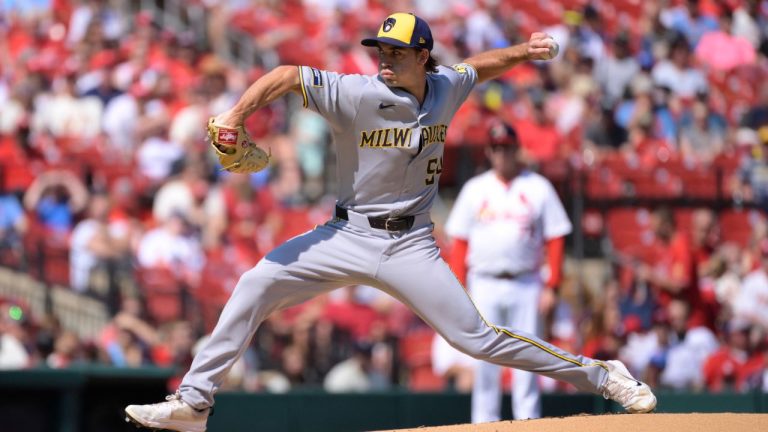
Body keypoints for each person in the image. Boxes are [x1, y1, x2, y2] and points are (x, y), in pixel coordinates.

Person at [125, 12, 656, 431]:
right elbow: (287, 76)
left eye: (396, 52)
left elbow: (479, 66)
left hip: (411, 246)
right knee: (255, 283)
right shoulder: (357, 94)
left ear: (422, 57)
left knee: (476, 339)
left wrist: (524, 50)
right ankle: (194, 402)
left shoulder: (445, 86)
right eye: (379, 49)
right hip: (345, 234)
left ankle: (603, 376)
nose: (383, 58)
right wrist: (239, 115)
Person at [445, 121, 571, 421]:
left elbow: (556, 238)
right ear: (489, 151)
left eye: (507, 147)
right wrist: (460, 287)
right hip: (483, 282)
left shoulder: (537, 187)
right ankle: (483, 424)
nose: (502, 153)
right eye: (496, 147)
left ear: (517, 149)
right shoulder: (476, 189)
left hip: (526, 282)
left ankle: (527, 423)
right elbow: (460, 242)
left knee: (527, 358)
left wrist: (552, 285)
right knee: (485, 358)